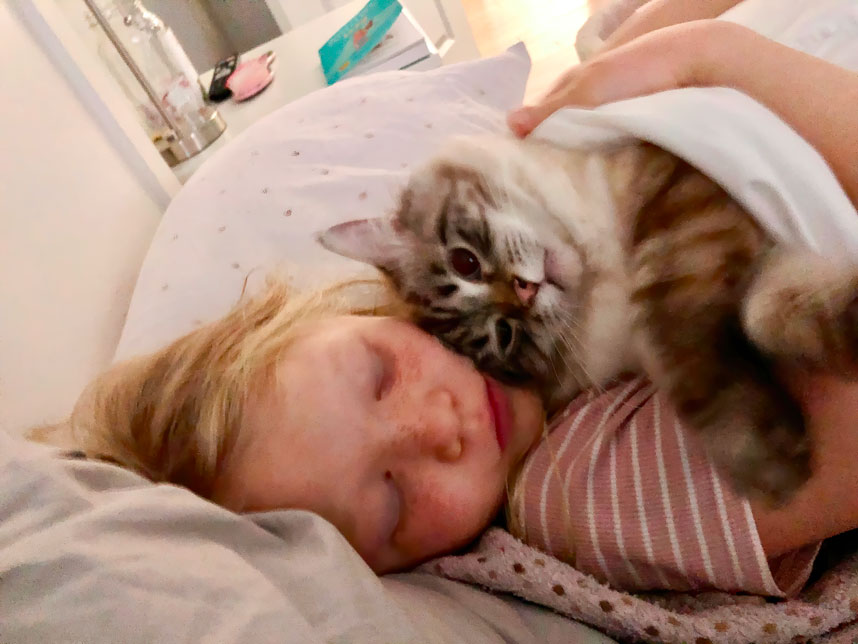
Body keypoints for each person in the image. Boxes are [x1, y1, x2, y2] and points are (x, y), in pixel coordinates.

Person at [38, 2, 858, 596]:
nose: (435, 426)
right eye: (393, 499)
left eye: (379, 374)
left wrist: (648, 49)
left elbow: (609, 89)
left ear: (371, 315)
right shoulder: (575, 492)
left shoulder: (479, 284)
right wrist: (714, 54)